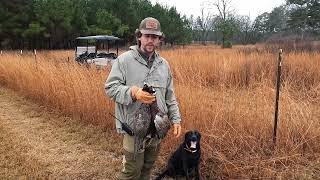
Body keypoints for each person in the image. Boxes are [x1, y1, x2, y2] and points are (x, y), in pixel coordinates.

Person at [105, 17, 182, 180]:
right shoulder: (124, 60)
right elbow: (110, 88)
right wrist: (133, 92)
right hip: (134, 129)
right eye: (147, 36)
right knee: (131, 172)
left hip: (157, 128)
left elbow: (170, 96)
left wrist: (176, 119)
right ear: (139, 36)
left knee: (147, 170)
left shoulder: (164, 65)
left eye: (154, 37)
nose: (150, 40)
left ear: (159, 40)